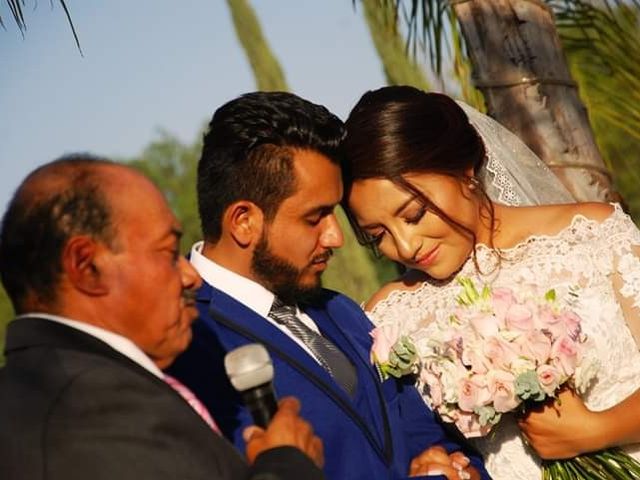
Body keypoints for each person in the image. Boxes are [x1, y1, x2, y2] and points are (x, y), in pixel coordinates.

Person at [168, 91, 489, 480]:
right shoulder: (187, 344)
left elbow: (427, 435)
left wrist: (460, 469)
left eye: (334, 213)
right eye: (315, 217)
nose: (336, 236)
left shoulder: (343, 311)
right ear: (243, 221)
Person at [340, 85, 640, 480]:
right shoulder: (388, 318)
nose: (406, 246)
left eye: (413, 214)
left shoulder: (592, 234)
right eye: (379, 234)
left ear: (463, 169)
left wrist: (597, 429)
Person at [0, 155, 325, 480]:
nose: (191, 276)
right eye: (169, 253)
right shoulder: (81, 411)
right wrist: (289, 464)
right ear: (87, 267)